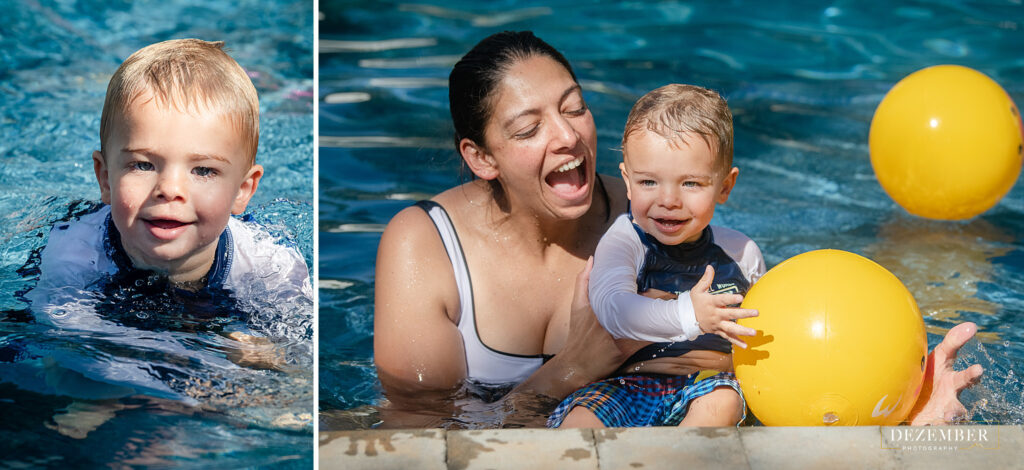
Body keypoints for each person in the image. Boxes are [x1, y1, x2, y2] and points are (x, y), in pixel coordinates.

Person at [372, 30, 982, 428]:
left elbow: (774, 371)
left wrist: (905, 409)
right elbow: (423, 441)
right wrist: (573, 370)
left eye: (574, 106)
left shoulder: (661, 210)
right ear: (482, 158)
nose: (566, 136)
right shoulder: (425, 248)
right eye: (529, 128)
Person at [26, 38, 311, 372]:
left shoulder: (269, 263)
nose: (169, 190)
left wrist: (261, 356)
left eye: (204, 170)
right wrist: (179, 358)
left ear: (242, 190)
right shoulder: (72, 253)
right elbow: (70, 344)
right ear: (105, 179)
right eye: (143, 165)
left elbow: (301, 353)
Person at [550, 84, 763, 428]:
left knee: (723, 401)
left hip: (705, 382)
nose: (669, 200)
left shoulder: (742, 254)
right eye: (649, 182)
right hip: (627, 383)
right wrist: (688, 315)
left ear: (725, 186)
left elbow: (764, 331)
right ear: (627, 182)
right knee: (582, 419)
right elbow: (613, 310)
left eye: (690, 184)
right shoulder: (626, 240)